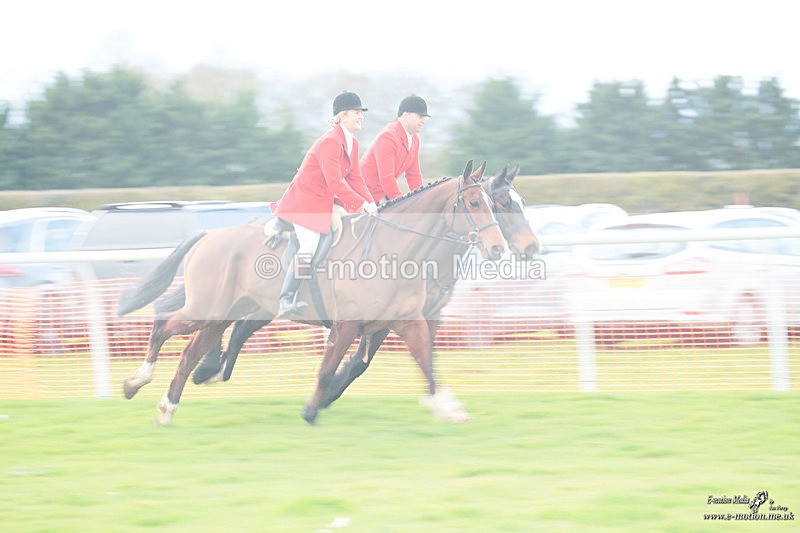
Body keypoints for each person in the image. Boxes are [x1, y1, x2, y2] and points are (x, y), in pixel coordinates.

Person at [272, 91, 378, 316]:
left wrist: (372, 203)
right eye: (356, 112)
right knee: (309, 245)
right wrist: (362, 205)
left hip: (323, 202)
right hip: (304, 203)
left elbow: (356, 179)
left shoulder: (353, 143)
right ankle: (286, 299)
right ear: (342, 116)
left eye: (361, 113)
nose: (361, 116)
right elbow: (335, 182)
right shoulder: (330, 142)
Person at [360, 95, 430, 203]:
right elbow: (386, 178)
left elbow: (413, 175)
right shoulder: (388, 137)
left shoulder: (415, 140)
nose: (423, 120)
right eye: (420, 116)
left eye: (424, 117)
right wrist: (400, 203)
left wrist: (421, 199)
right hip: (361, 195)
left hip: (381, 195)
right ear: (406, 115)